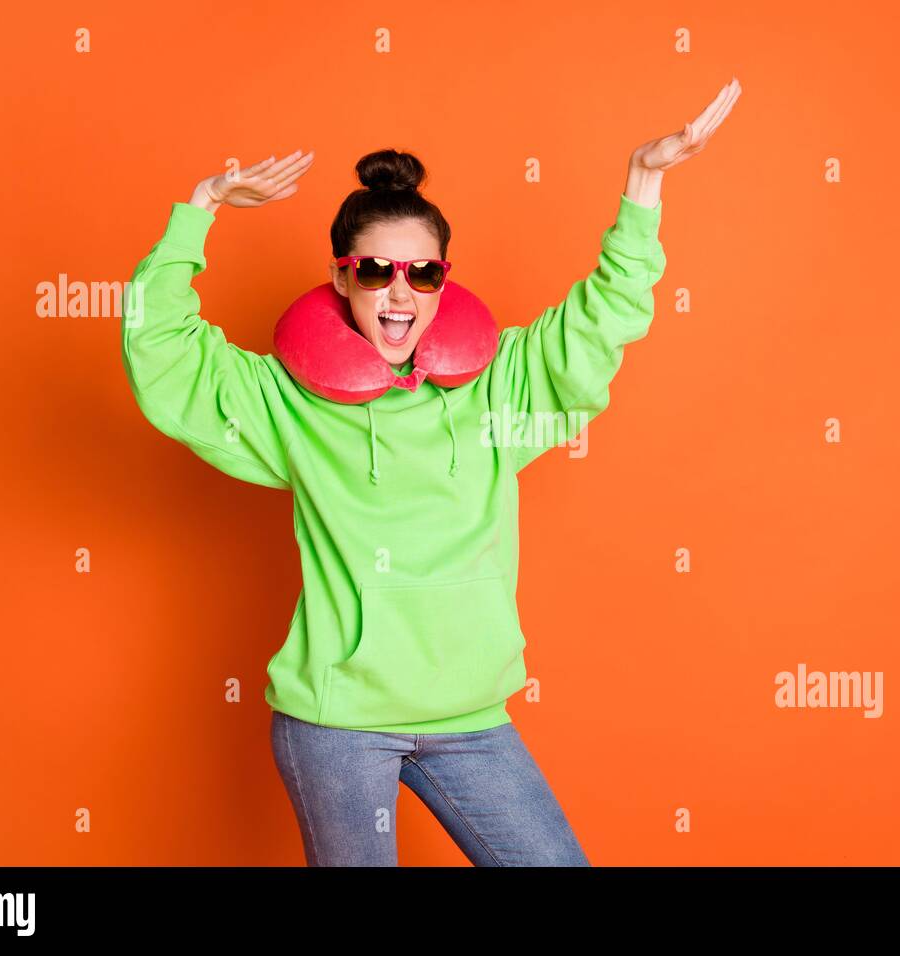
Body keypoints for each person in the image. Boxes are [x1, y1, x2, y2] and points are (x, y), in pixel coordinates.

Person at [120, 79, 741, 866]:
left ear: (445, 280)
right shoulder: (288, 403)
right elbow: (161, 349)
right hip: (337, 723)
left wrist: (644, 181)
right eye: (376, 271)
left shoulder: (503, 388)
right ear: (342, 277)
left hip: (470, 720)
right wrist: (200, 208)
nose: (400, 293)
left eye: (424, 274)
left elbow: (602, 316)